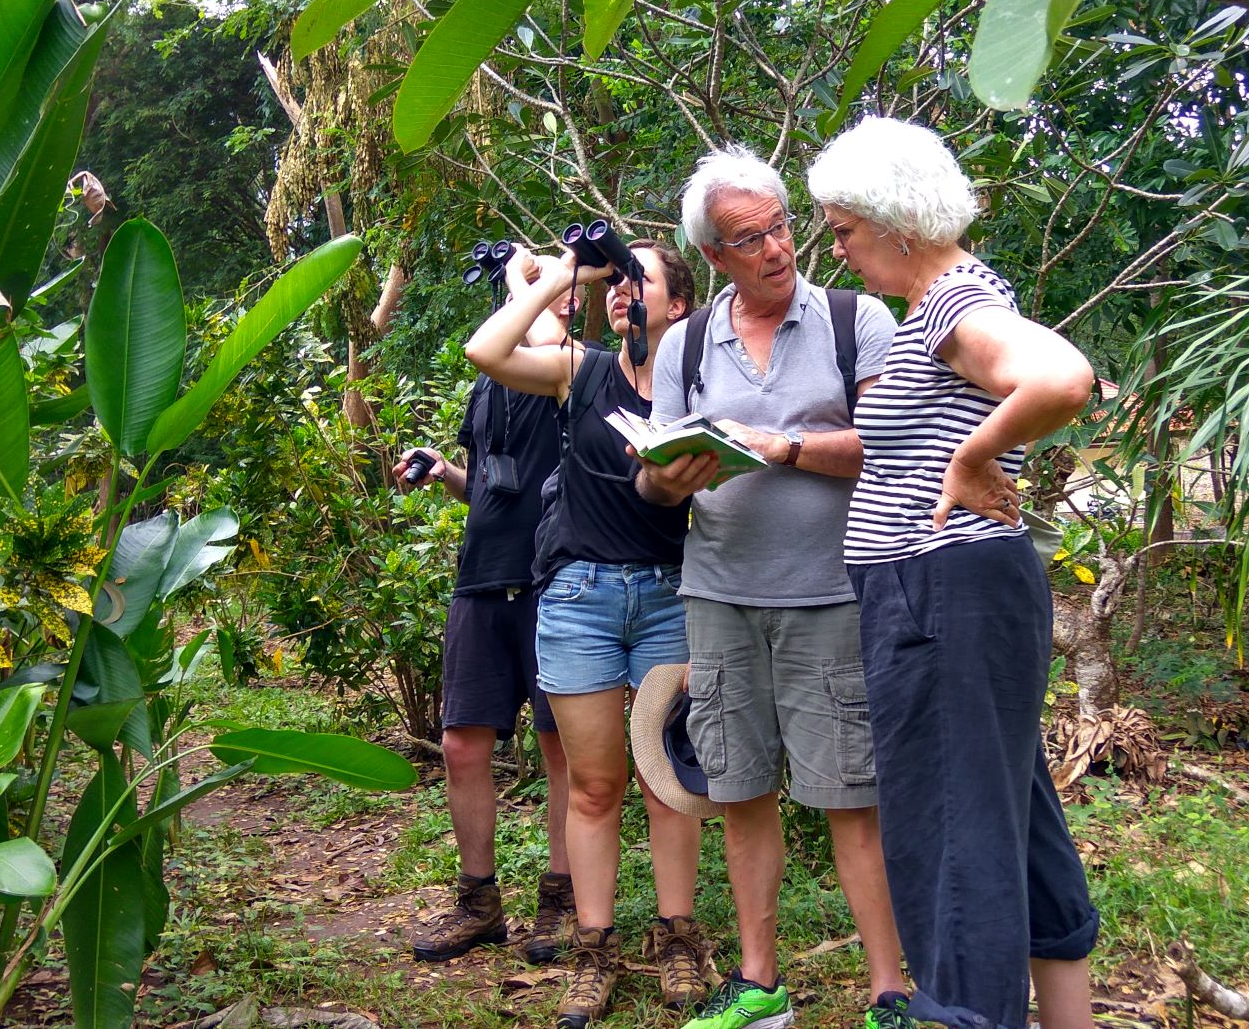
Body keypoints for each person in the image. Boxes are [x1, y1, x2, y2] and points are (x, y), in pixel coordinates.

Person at [807, 116, 1101, 1029]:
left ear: (894, 223)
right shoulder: (949, 303)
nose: (837, 249)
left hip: (941, 596)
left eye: (843, 230)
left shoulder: (953, 304)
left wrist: (973, 460)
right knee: (1014, 828)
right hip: (953, 595)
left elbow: (1060, 377)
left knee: (951, 846)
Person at [634, 146, 914, 1029]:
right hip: (718, 595)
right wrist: (665, 480)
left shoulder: (850, 319)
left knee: (848, 796)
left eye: (781, 226)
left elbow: (888, 444)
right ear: (712, 256)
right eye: (749, 238)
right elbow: (652, 474)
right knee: (740, 790)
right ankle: (759, 985)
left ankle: (888, 992)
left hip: (828, 596)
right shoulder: (683, 343)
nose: (776, 249)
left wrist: (781, 444)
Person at [465, 240, 716, 1028]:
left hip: (672, 595)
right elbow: (488, 349)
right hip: (579, 596)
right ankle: (592, 947)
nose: (621, 290)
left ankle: (679, 938)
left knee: (667, 781)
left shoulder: (704, 380)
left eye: (639, 279)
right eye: (617, 278)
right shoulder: (584, 370)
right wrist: (566, 276)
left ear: (679, 304)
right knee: (596, 783)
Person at [394, 259, 575, 968]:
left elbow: (548, 331)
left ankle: (561, 899)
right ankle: (479, 902)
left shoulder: (565, 371)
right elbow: (489, 490)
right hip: (481, 579)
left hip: (551, 579)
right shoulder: (485, 390)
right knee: (464, 746)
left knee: (560, 749)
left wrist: (528, 278)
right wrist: (445, 474)